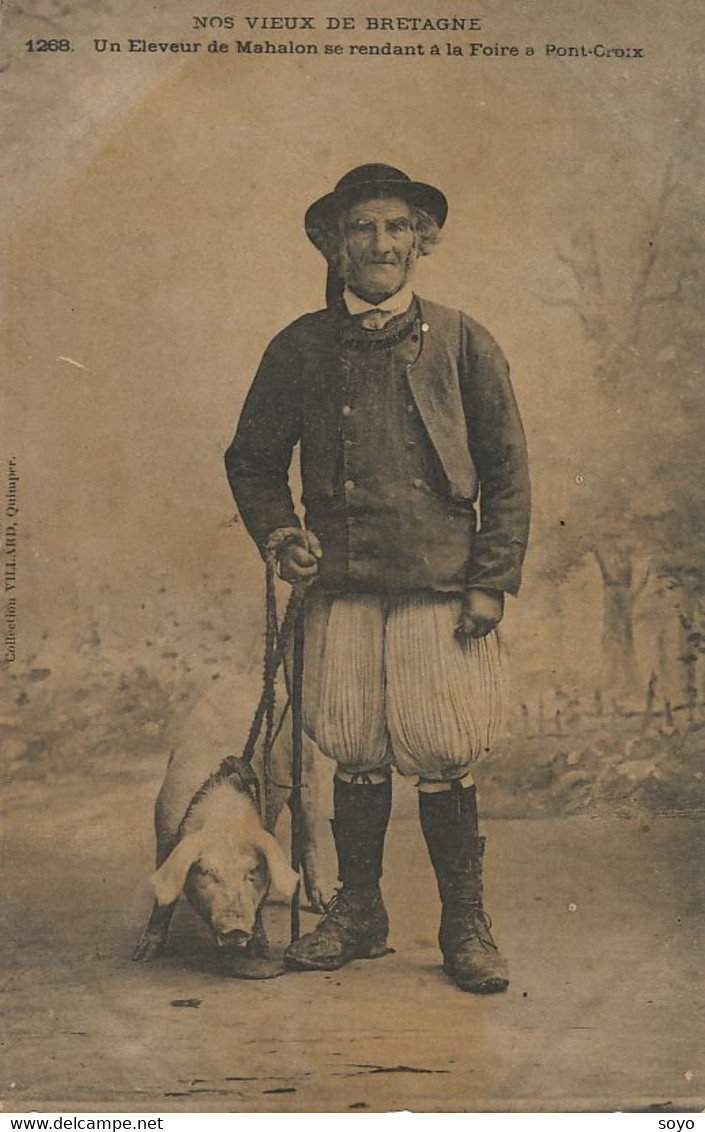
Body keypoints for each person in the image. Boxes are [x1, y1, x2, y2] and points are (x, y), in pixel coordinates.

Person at [225, 164, 530, 993]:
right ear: (333, 243)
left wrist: (491, 579)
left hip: (442, 587)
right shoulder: (298, 346)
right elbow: (252, 461)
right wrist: (282, 532)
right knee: (354, 748)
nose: (382, 243)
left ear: (422, 241)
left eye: (398, 227)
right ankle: (358, 912)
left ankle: (462, 925)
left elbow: (506, 470)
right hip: (342, 586)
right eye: (362, 229)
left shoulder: (464, 339)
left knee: (442, 749)